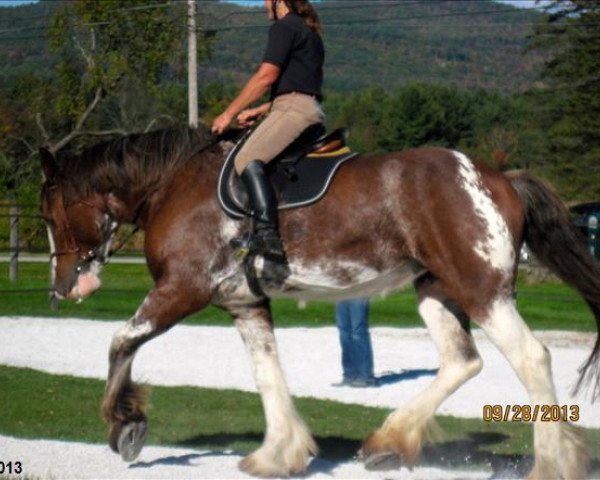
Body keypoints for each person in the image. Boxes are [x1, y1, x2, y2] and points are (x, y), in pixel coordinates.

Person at [211, 0, 325, 259]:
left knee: (246, 158)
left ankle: (267, 235)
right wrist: (259, 111)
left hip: (293, 110)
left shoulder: (285, 27)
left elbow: (266, 77)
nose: (263, 4)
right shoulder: (310, 32)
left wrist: (227, 114)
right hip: (307, 109)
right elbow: (300, 85)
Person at [334, 298, 377, 387]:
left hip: (359, 291)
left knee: (358, 331)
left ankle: (365, 376)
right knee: (344, 332)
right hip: (342, 291)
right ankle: (349, 375)